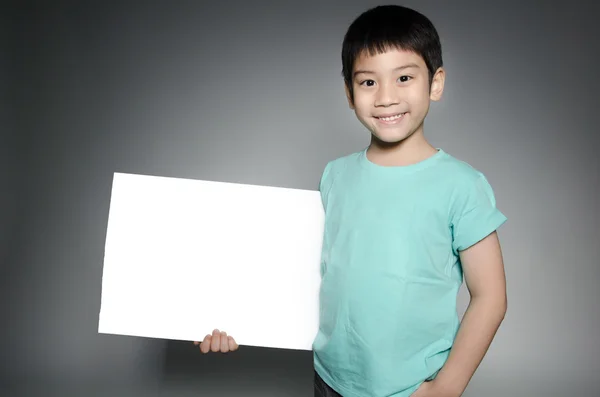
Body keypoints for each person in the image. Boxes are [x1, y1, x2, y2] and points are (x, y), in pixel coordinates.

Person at [194, 5, 508, 397]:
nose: (386, 97)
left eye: (405, 77)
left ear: (436, 83)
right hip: (330, 379)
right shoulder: (335, 176)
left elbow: (491, 296)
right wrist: (235, 318)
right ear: (348, 92)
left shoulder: (462, 185)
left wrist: (445, 389)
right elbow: (310, 272)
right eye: (368, 83)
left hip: (410, 389)